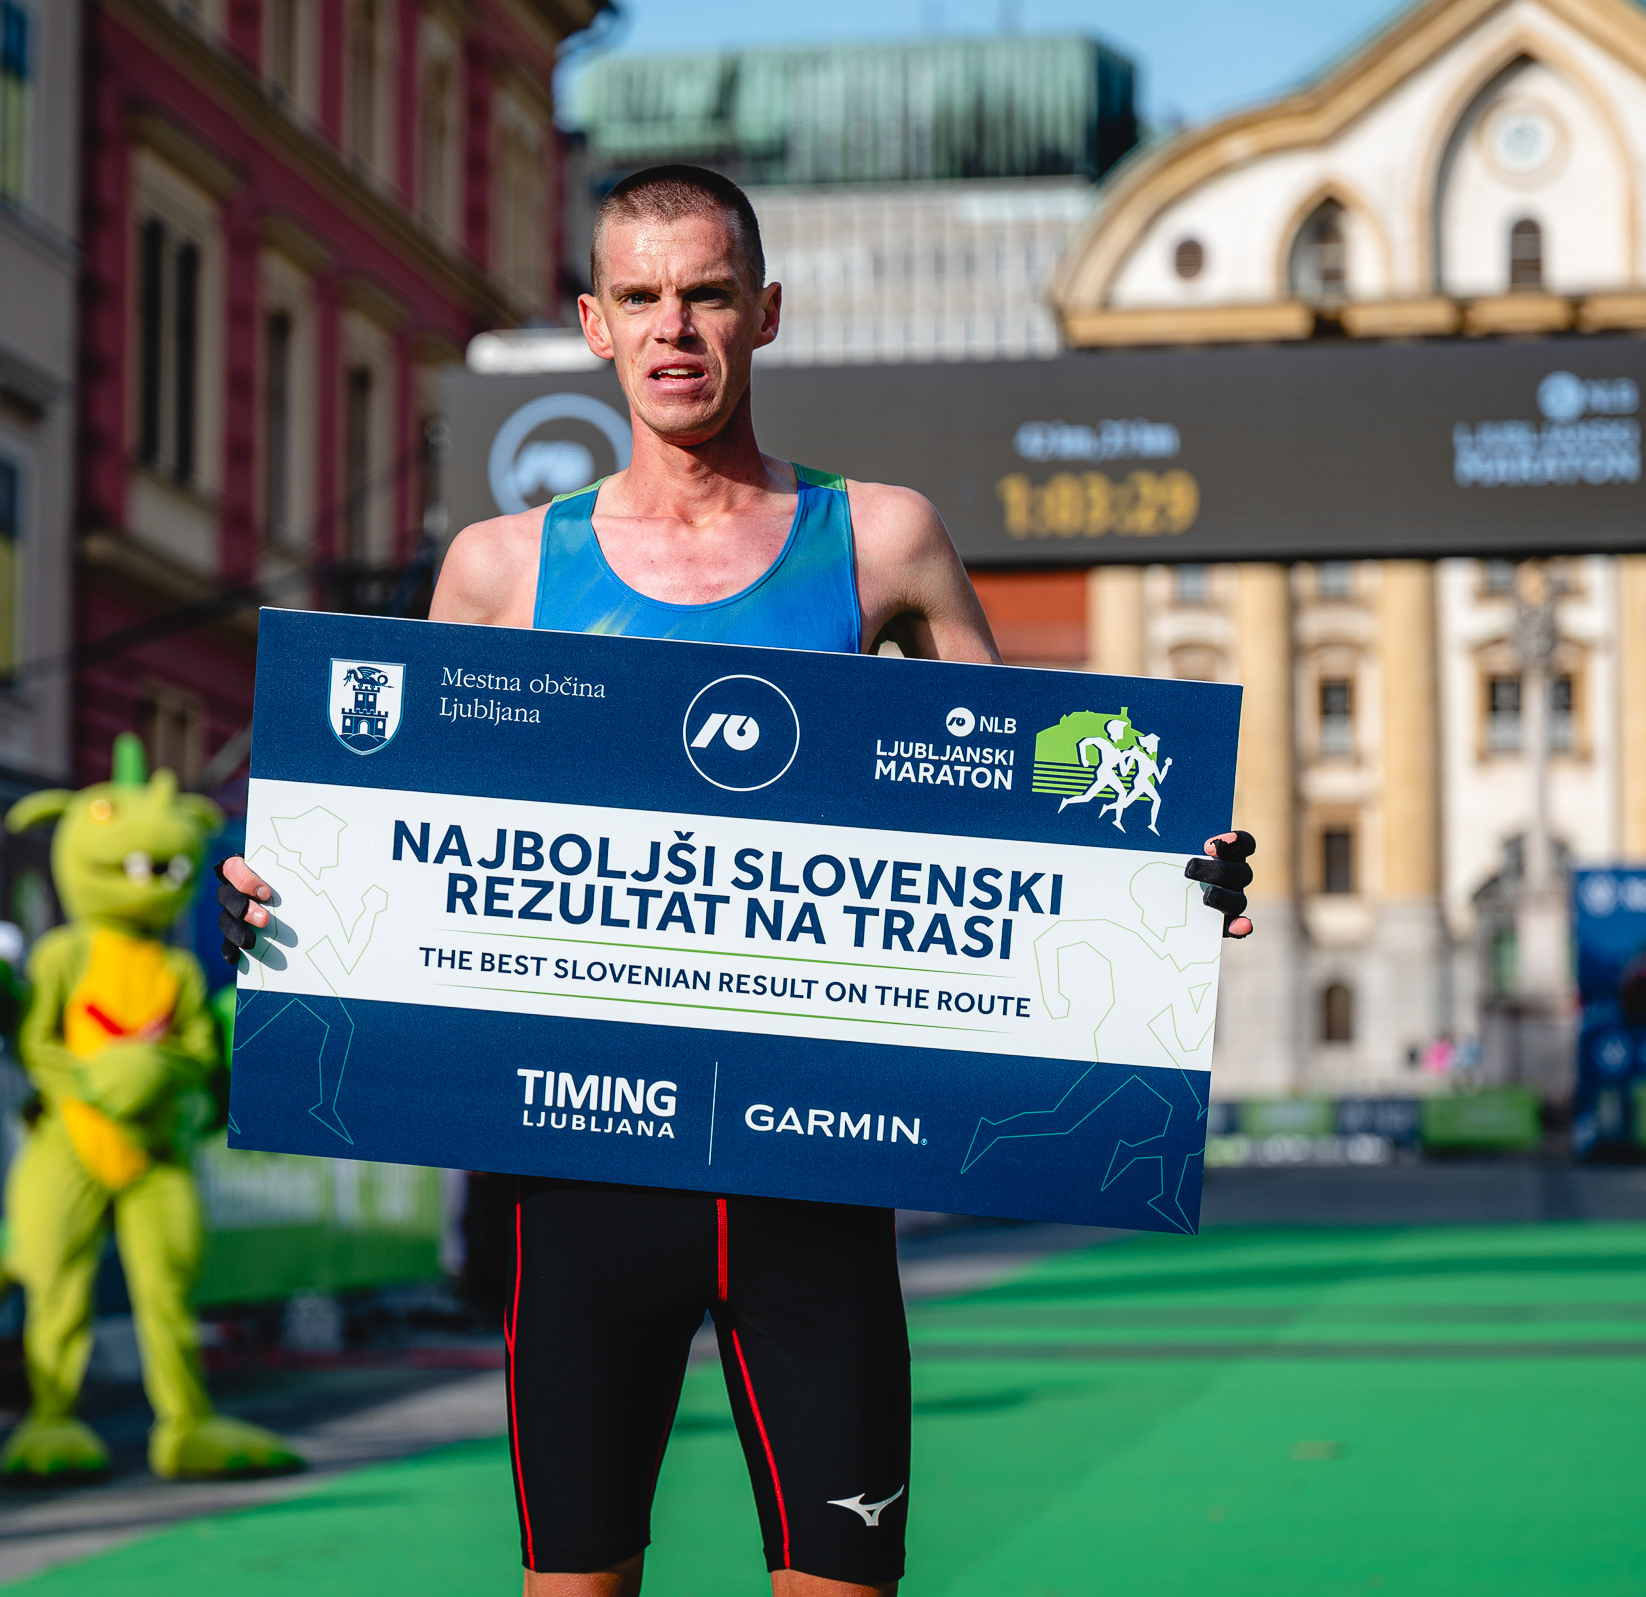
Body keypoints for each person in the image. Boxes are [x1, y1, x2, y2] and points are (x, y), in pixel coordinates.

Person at [217, 164, 1259, 1596]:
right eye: (640, 297)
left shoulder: (881, 539)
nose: (675, 328)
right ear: (592, 321)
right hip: (579, 1177)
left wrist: (1165, 876)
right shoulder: (502, 569)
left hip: (812, 1181)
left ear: (764, 311)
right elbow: (388, 850)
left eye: (706, 294)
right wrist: (280, 903)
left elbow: (1037, 813)